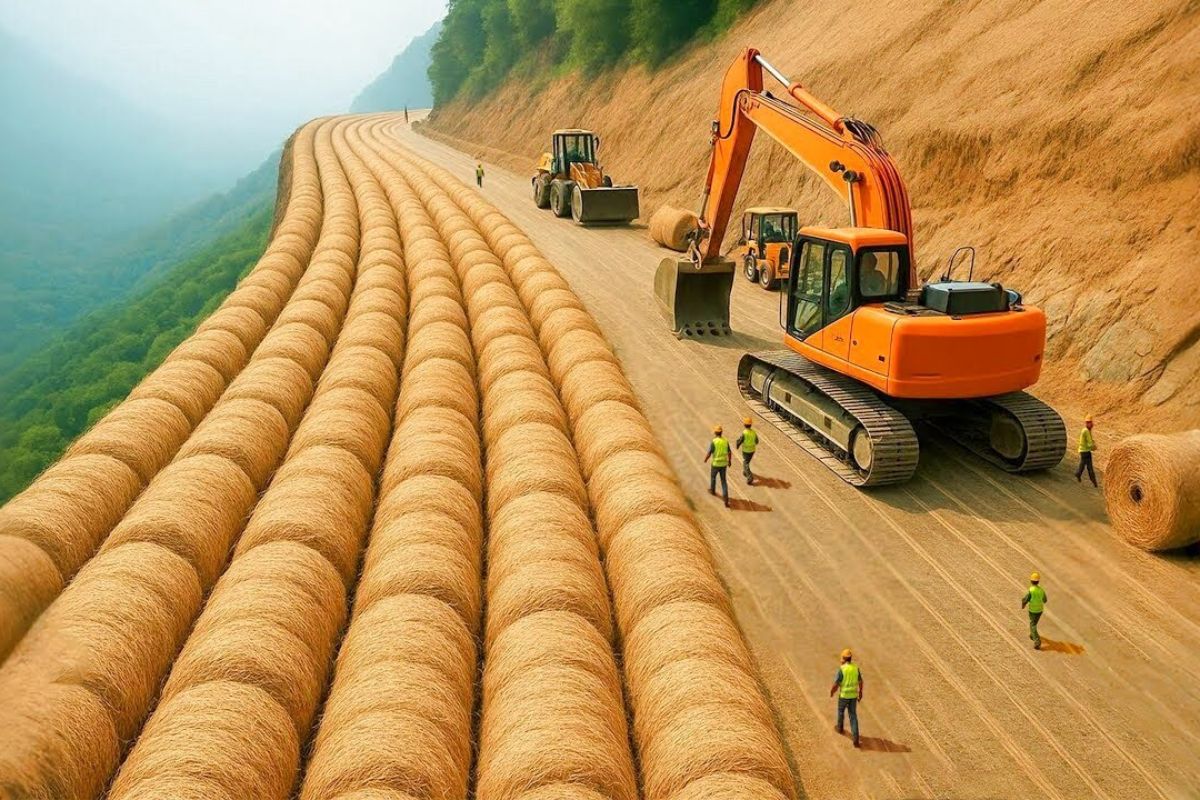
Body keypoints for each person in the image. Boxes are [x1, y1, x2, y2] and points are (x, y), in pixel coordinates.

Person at [830, 648, 863, 748]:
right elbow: (861, 681)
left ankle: (840, 728)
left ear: (844, 658)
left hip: (844, 696)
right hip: (853, 696)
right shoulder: (856, 668)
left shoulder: (842, 669)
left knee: (841, 712)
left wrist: (832, 692)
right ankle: (856, 739)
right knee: (853, 716)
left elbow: (836, 684)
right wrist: (860, 692)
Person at [704, 424, 730, 507]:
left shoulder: (714, 442)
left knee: (713, 478)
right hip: (723, 464)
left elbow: (709, 452)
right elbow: (729, 452)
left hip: (715, 464)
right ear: (721, 432)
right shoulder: (725, 441)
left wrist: (706, 459)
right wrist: (729, 461)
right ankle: (726, 497)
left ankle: (713, 490)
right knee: (723, 481)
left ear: (715, 433)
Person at [1021, 572, 1048, 650]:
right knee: (1034, 623)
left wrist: (1023, 604)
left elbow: (1026, 599)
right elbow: (1045, 600)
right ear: (1038, 581)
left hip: (1032, 610)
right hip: (1040, 610)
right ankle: (1033, 635)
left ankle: (1037, 641)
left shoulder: (1031, 590)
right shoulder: (1041, 590)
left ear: (1031, 581)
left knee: (1032, 624)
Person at [1075, 415, 1097, 487]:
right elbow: (1090, 444)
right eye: (1090, 423)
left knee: (1082, 465)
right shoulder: (1086, 431)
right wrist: (1094, 447)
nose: (1092, 424)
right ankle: (1094, 482)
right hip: (1086, 451)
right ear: (1088, 423)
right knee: (1089, 467)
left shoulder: (1085, 430)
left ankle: (1078, 474)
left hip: (1082, 451)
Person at [736, 417, 758, 484]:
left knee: (745, 463)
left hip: (746, 450)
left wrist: (737, 445)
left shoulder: (744, 433)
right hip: (752, 450)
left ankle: (749, 477)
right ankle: (745, 472)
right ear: (751, 425)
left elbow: (740, 440)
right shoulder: (754, 432)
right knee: (747, 461)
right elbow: (757, 441)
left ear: (744, 425)